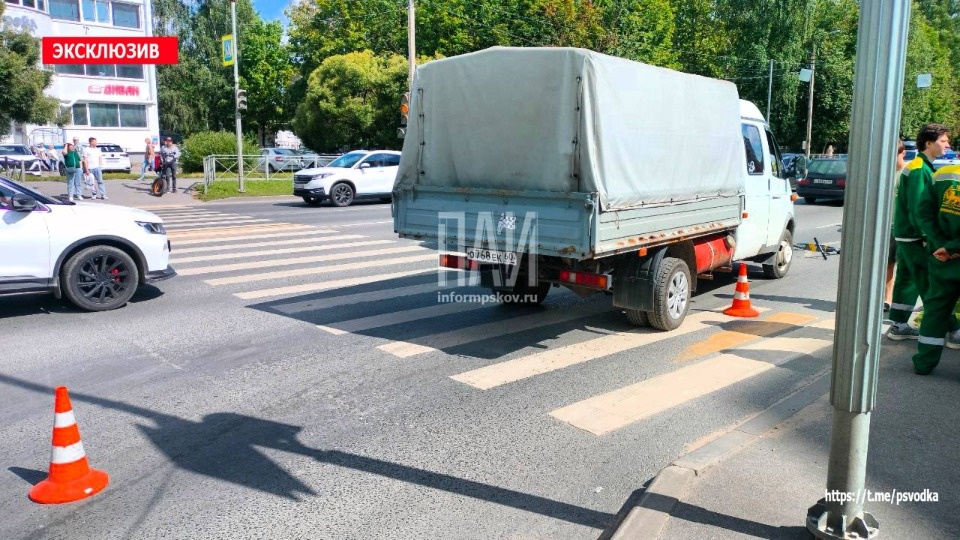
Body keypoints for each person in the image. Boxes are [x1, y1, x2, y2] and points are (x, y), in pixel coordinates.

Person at [887, 124, 955, 341]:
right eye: (943, 141)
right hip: (917, 237)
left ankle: (898, 324)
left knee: (907, 279)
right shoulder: (919, 169)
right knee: (931, 283)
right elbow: (920, 211)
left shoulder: (919, 166)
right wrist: (933, 238)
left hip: (907, 235)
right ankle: (953, 329)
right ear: (929, 143)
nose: (948, 145)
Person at [912, 160, 960, 374]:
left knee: (936, 309)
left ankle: (924, 363)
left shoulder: (944, 174)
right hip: (949, 252)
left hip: (942, 258)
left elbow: (923, 213)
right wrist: (953, 247)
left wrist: (941, 245)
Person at [883, 140, 908, 311]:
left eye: (895, 155)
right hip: (887, 226)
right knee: (888, 264)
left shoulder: (909, 173)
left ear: (903, 153)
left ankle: (904, 304)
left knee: (907, 268)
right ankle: (888, 299)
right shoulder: (884, 174)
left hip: (906, 228)